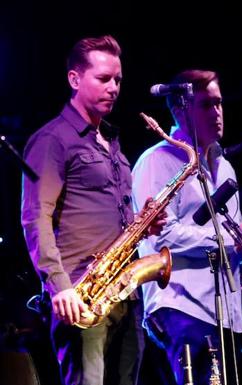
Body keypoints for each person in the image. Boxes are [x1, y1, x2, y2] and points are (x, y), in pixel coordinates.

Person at [21, 35, 165, 385]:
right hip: (81, 296)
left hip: (124, 295)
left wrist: (141, 224)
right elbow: (35, 216)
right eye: (103, 79)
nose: (114, 87)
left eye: (117, 79)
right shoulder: (53, 140)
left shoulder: (112, 141)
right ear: (74, 79)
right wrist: (59, 286)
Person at [131, 69, 242, 385]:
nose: (217, 112)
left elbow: (232, 234)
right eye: (207, 105)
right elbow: (161, 236)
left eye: (219, 103)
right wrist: (225, 241)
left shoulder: (225, 166)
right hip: (181, 306)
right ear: (180, 109)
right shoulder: (157, 161)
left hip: (224, 310)